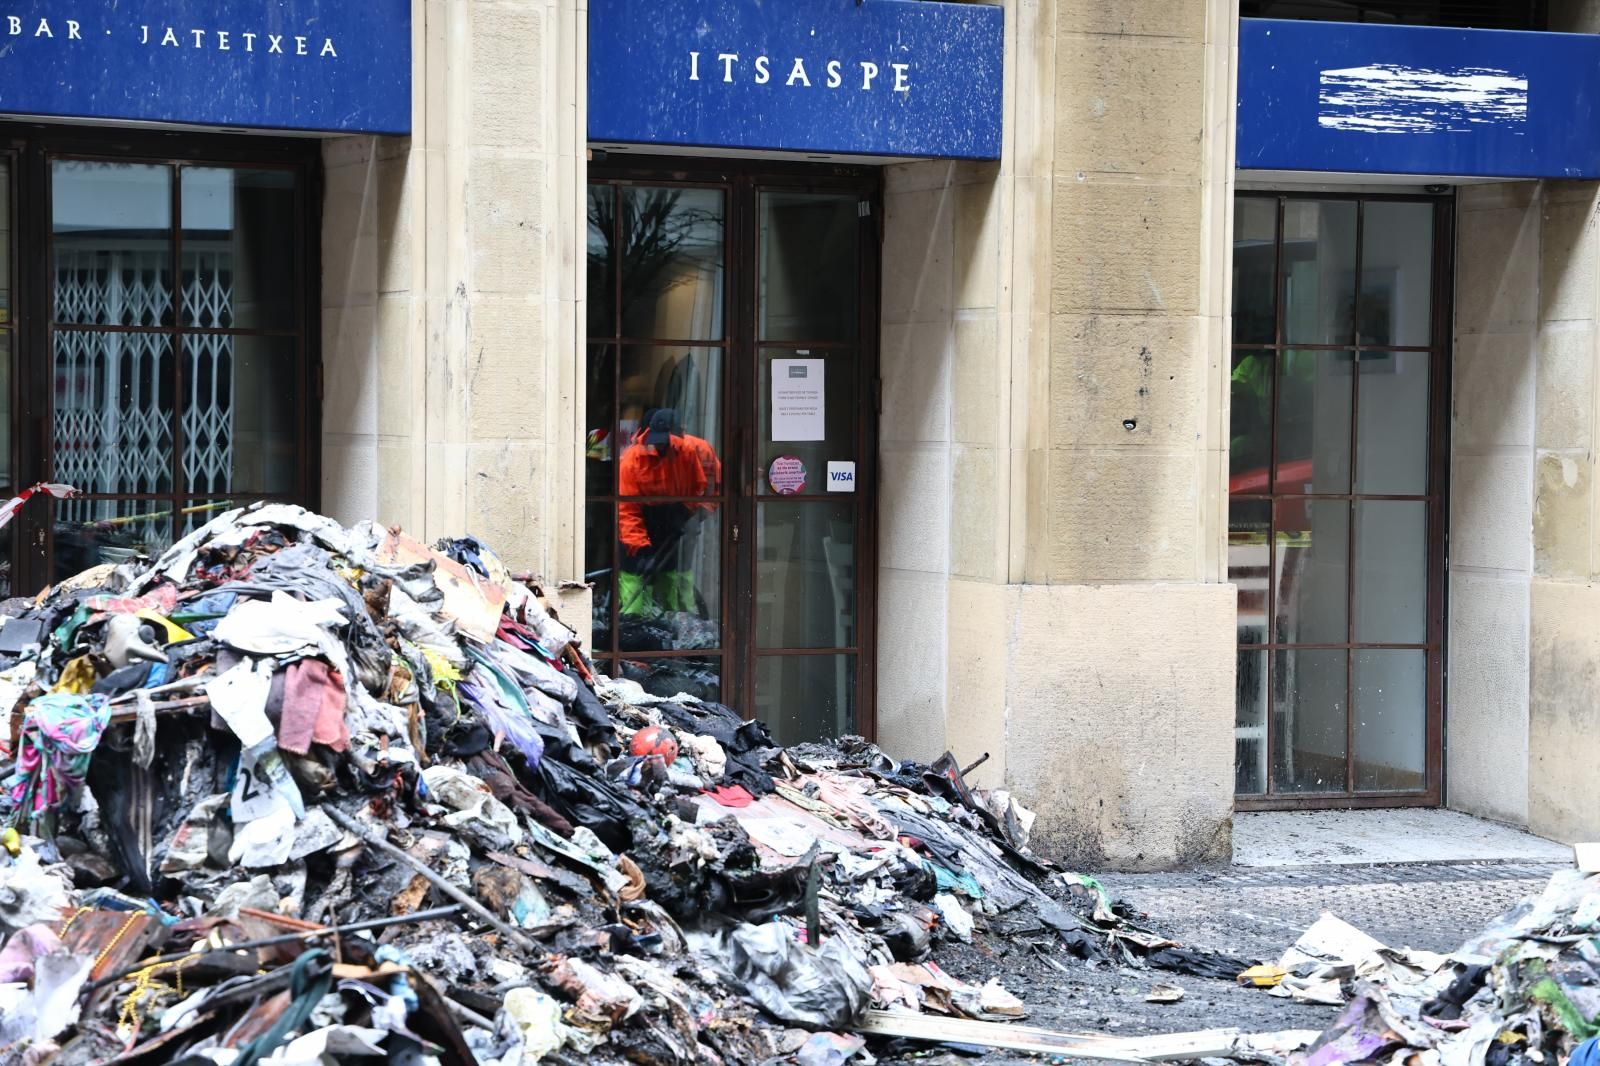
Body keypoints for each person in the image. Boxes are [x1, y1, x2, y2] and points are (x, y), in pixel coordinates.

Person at [617, 409, 715, 618]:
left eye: (666, 442)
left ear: (680, 434)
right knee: (634, 576)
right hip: (642, 518)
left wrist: (691, 513)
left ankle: (678, 620)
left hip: (674, 515)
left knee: (673, 576)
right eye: (657, 441)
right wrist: (640, 547)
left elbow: (703, 488)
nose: (661, 447)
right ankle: (631, 622)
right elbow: (628, 510)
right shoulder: (632, 460)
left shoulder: (692, 452)